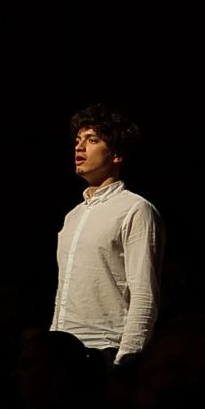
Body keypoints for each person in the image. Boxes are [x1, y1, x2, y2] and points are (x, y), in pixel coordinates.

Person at [50, 105, 161, 366]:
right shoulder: (72, 216)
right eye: (78, 140)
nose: (79, 147)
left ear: (117, 154)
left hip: (105, 349)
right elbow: (65, 291)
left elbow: (144, 294)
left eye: (92, 140)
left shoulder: (135, 209)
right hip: (63, 351)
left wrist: (126, 359)